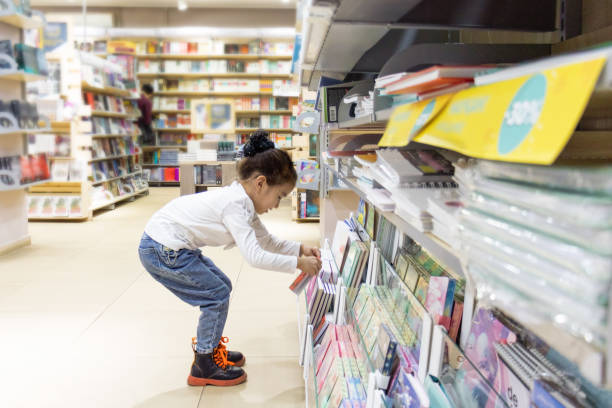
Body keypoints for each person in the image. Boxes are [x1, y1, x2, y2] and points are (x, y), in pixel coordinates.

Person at [138, 131, 322, 387]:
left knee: (221, 287)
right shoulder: (235, 205)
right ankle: (204, 365)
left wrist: (300, 249)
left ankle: (210, 349)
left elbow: (266, 241)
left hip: (169, 244)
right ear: (260, 183)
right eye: (279, 196)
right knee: (215, 294)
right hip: (162, 248)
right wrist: (298, 264)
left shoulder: (243, 201)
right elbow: (255, 256)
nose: (277, 205)